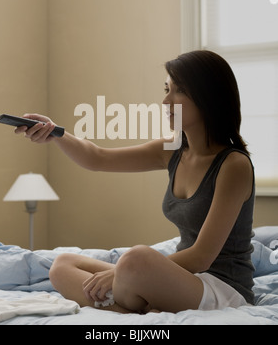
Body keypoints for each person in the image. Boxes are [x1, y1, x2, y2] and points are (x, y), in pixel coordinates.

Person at [15, 50, 255, 313]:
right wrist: (55, 133)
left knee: (137, 257)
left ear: (208, 96)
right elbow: (98, 159)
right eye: (167, 89)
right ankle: (132, 310)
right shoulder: (172, 151)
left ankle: (130, 301)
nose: (166, 101)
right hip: (182, 278)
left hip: (220, 289)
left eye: (179, 91)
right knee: (63, 265)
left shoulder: (234, 165)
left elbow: (201, 256)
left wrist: (120, 272)